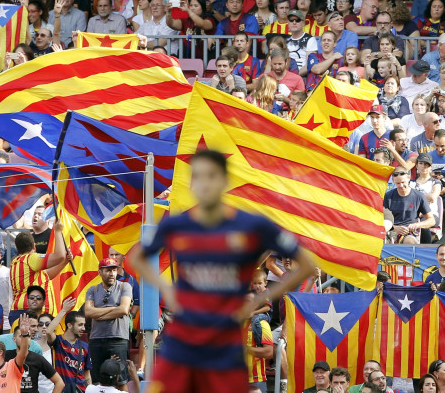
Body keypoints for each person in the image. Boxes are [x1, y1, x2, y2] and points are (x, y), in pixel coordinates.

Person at [129, 149, 316, 392]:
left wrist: (256, 301)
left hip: (225, 340)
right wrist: (168, 289)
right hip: (184, 335)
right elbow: (138, 257)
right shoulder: (178, 224)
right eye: (198, 176)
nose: (204, 183)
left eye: (211, 176)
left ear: (225, 181)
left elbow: (307, 265)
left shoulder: (252, 224)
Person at [83, 257, 131, 384]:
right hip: (96, 339)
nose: (112, 273)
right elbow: (88, 312)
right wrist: (114, 309)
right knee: (97, 380)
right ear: (100, 272)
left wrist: (99, 314)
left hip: (118, 339)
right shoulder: (92, 289)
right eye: (108, 270)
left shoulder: (124, 286)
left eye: (114, 270)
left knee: (120, 380)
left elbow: (124, 310)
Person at [9, 226, 69, 324]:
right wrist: (58, 231)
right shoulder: (31, 258)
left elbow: (47, 276)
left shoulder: (16, 262)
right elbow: (59, 256)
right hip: (32, 311)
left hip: (19, 310)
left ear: (17, 248)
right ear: (34, 246)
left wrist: (65, 262)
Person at [45, 303, 92, 392]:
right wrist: (63, 310)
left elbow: (87, 374)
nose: (83, 328)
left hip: (80, 390)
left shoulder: (85, 346)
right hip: (62, 390)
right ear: (69, 325)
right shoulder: (58, 342)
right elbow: (48, 331)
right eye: (80, 325)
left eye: (84, 325)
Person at [384, 166, 436, 244]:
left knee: (409, 241)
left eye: (403, 182)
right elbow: (380, 218)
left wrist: (417, 225)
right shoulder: (388, 196)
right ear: (393, 181)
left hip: (409, 232)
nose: (401, 186)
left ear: (408, 178)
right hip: (390, 231)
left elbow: (431, 220)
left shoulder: (418, 196)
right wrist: (394, 228)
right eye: (398, 183)